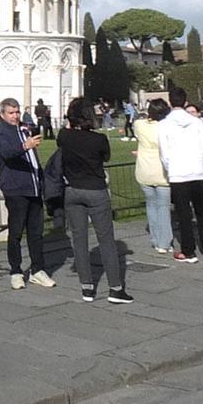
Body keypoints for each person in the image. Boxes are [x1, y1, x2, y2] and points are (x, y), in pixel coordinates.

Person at [57, 99, 132, 303]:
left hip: (72, 190)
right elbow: (105, 157)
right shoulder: (98, 140)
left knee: (79, 240)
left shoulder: (64, 136)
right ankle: (115, 288)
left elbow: (63, 140)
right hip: (95, 190)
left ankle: (87, 287)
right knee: (106, 240)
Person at [0, 98, 55, 290]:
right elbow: (7, 152)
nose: (15, 116)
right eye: (11, 113)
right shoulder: (1, 133)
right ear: (3, 114)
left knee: (36, 232)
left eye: (17, 112)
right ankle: (16, 271)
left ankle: (38, 269)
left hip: (33, 187)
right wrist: (25, 146)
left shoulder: (24, 129)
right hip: (16, 188)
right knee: (16, 232)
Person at [159, 87, 203, 263]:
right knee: (202, 211)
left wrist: (170, 168)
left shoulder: (164, 125)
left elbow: (164, 152)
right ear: (185, 102)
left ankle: (188, 251)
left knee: (183, 213)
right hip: (197, 170)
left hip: (178, 172)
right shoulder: (197, 123)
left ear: (170, 102)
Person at [133, 99, 173, 254]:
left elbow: (138, 124)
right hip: (162, 171)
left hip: (144, 169)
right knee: (163, 207)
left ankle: (156, 240)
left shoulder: (139, 125)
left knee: (151, 205)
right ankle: (164, 242)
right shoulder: (166, 127)